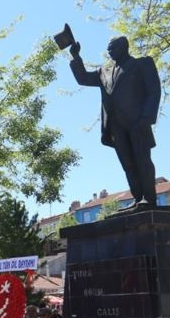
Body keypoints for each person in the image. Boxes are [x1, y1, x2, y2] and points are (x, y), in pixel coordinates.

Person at [69, 36, 161, 206]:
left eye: (113, 48)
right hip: (115, 127)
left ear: (124, 47)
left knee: (143, 161)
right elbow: (83, 78)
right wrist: (76, 57)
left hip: (137, 123)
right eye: (108, 49)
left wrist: (146, 118)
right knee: (128, 164)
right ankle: (138, 196)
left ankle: (149, 198)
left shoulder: (142, 64)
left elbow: (154, 91)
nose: (109, 52)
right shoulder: (104, 72)